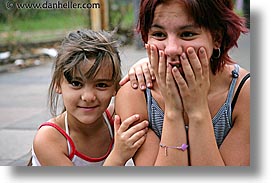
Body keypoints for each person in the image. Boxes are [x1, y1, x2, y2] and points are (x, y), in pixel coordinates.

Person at [116, 0, 250, 166]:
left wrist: (197, 109)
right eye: (159, 34)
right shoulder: (135, 93)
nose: (171, 49)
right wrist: (173, 110)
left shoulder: (244, 93)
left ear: (217, 37)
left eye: (187, 34)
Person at [29, 29, 148, 166]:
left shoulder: (116, 119)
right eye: (76, 83)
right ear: (58, 84)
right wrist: (118, 156)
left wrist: (145, 65)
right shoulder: (49, 139)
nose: (88, 97)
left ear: (116, 87)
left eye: (101, 85)